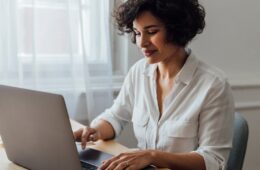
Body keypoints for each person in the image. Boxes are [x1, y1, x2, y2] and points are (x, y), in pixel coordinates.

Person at [74, 0, 234, 169]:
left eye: (151, 32)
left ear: (176, 30)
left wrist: (152, 156)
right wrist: (95, 131)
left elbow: (213, 160)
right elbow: (116, 116)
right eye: (137, 33)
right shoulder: (139, 72)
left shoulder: (214, 85)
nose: (141, 43)